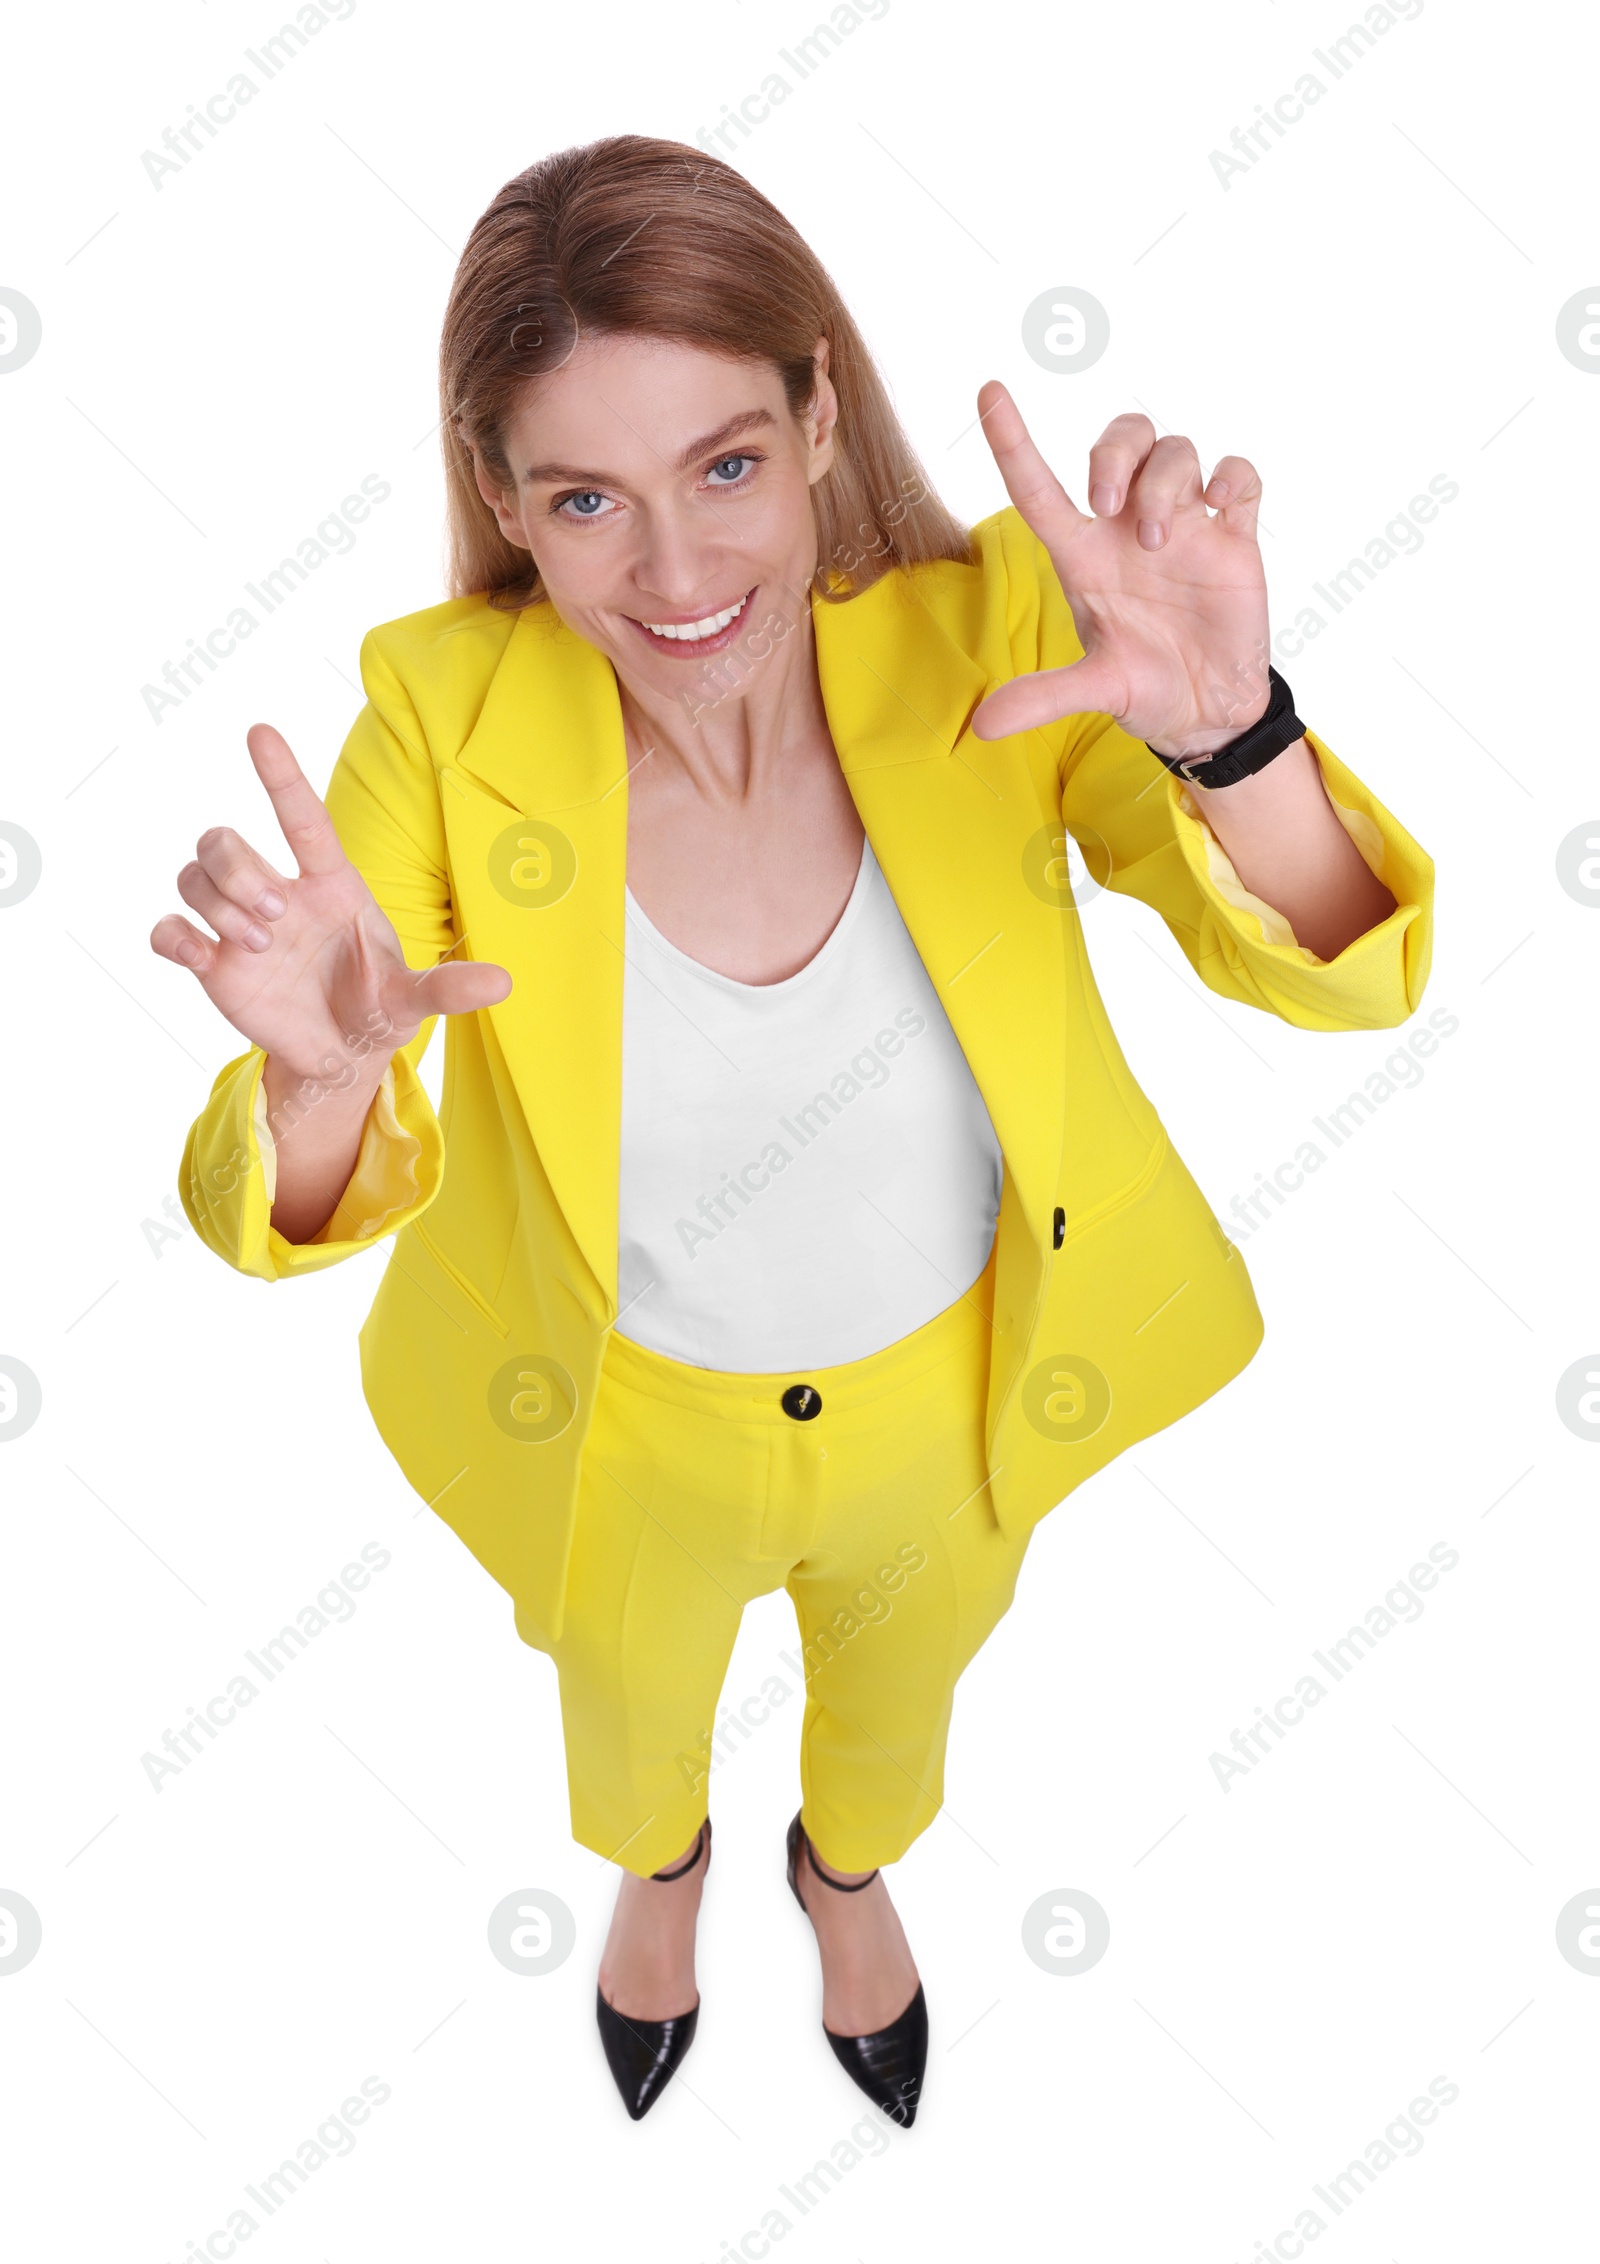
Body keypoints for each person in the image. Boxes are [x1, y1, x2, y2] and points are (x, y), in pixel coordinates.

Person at [152, 135, 1433, 2127]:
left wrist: (1229, 731)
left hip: (952, 1398)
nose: (674, 575)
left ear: (819, 414)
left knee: (896, 1704)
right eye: (585, 497)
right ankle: (656, 1878)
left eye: (726, 466)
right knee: (636, 1716)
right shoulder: (441, 711)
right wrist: (320, 1086)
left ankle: (842, 1875)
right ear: (503, 500)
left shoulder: (993, 633)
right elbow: (279, 1205)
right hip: (615, 1421)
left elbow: (1337, 974)